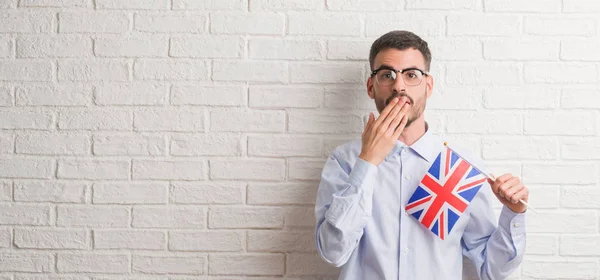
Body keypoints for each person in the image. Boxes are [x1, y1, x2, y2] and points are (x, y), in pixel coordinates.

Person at [314, 30, 528, 280]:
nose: (399, 86)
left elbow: (491, 269)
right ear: (371, 87)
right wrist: (368, 162)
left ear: (428, 86)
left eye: (411, 75)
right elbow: (332, 252)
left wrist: (514, 213)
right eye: (387, 75)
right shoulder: (344, 161)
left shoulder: (459, 166)